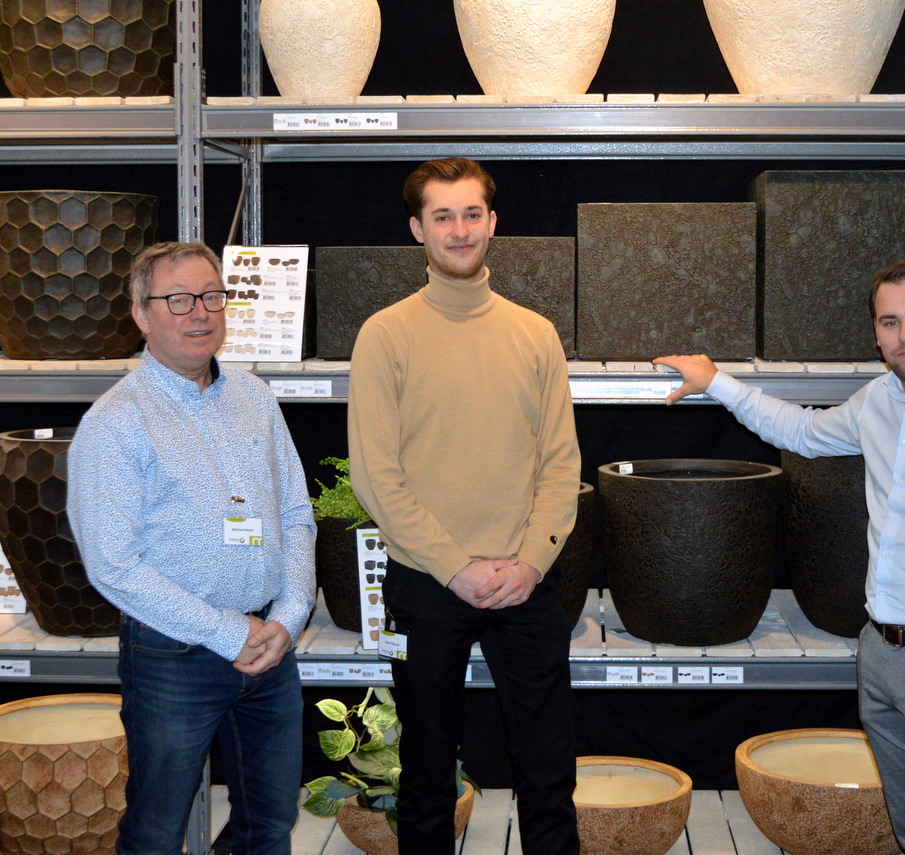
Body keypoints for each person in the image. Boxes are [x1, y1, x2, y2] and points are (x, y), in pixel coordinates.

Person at [656, 257, 905, 855]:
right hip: (879, 654)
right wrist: (716, 381)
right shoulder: (877, 401)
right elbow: (802, 432)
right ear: (876, 334)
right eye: (890, 323)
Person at [348, 156, 581, 854]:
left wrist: (531, 563)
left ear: (493, 222)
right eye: (442, 216)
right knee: (425, 772)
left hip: (525, 583)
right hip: (426, 582)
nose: (459, 229)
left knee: (548, 770)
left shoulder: (535, 334)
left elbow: (561, 464)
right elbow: (376, 476)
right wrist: (454, 566)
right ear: (417, 229)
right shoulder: (385, 335)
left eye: (471, 213)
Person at [67, 241, 316, 855]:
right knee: (156, 832)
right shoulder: (116, 422)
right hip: (173, 656)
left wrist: (288, 616)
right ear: (141, 314)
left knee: (269, 825)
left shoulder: (254, 397)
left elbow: (295, 513)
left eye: (211, 296)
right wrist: (228, 633)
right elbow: (113, 565)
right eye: (178, 300)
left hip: (270, 647)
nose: (200, 312)